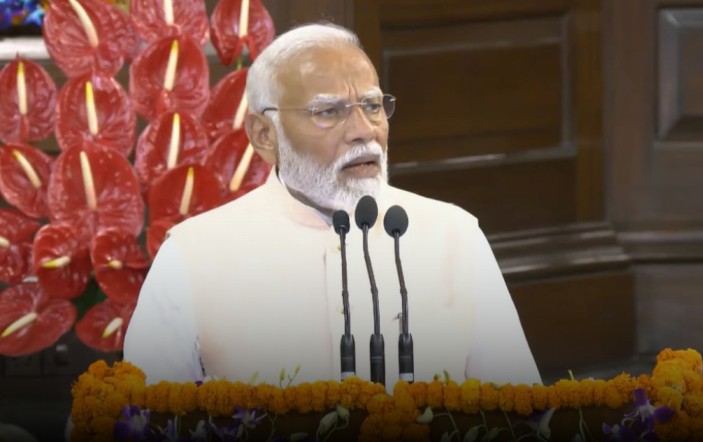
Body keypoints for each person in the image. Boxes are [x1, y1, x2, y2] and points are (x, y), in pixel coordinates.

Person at [123, 22, 542, 390]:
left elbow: (519, 413)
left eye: (373, 106)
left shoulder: (455, 235)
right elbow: (136, 422)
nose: (364, 132)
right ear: (264, 135)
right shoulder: (193, 255)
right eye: (328, 111)